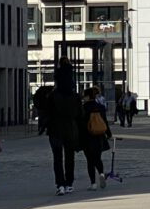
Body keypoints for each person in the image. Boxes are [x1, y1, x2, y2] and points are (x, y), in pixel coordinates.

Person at [47, 57, 82, 196]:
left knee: (57, 158)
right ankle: (69, 183)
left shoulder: (53, 96)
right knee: (69, 157)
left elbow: (47, 113)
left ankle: (60, 184)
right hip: (70, 129)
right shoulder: (75, 96)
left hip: (55, 129)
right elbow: (80, 114)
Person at [80, 87, 113, 191]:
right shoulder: (100, 107)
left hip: (87, 137)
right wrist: (109, 134)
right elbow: (105, 122)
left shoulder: (83, 108)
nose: (83, 98)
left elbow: (80, 124)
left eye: (84, 96)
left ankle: (93, 183)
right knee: (97, 158)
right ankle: (102, 174)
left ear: (88, 96)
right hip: (99, 136)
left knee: (90, 161)